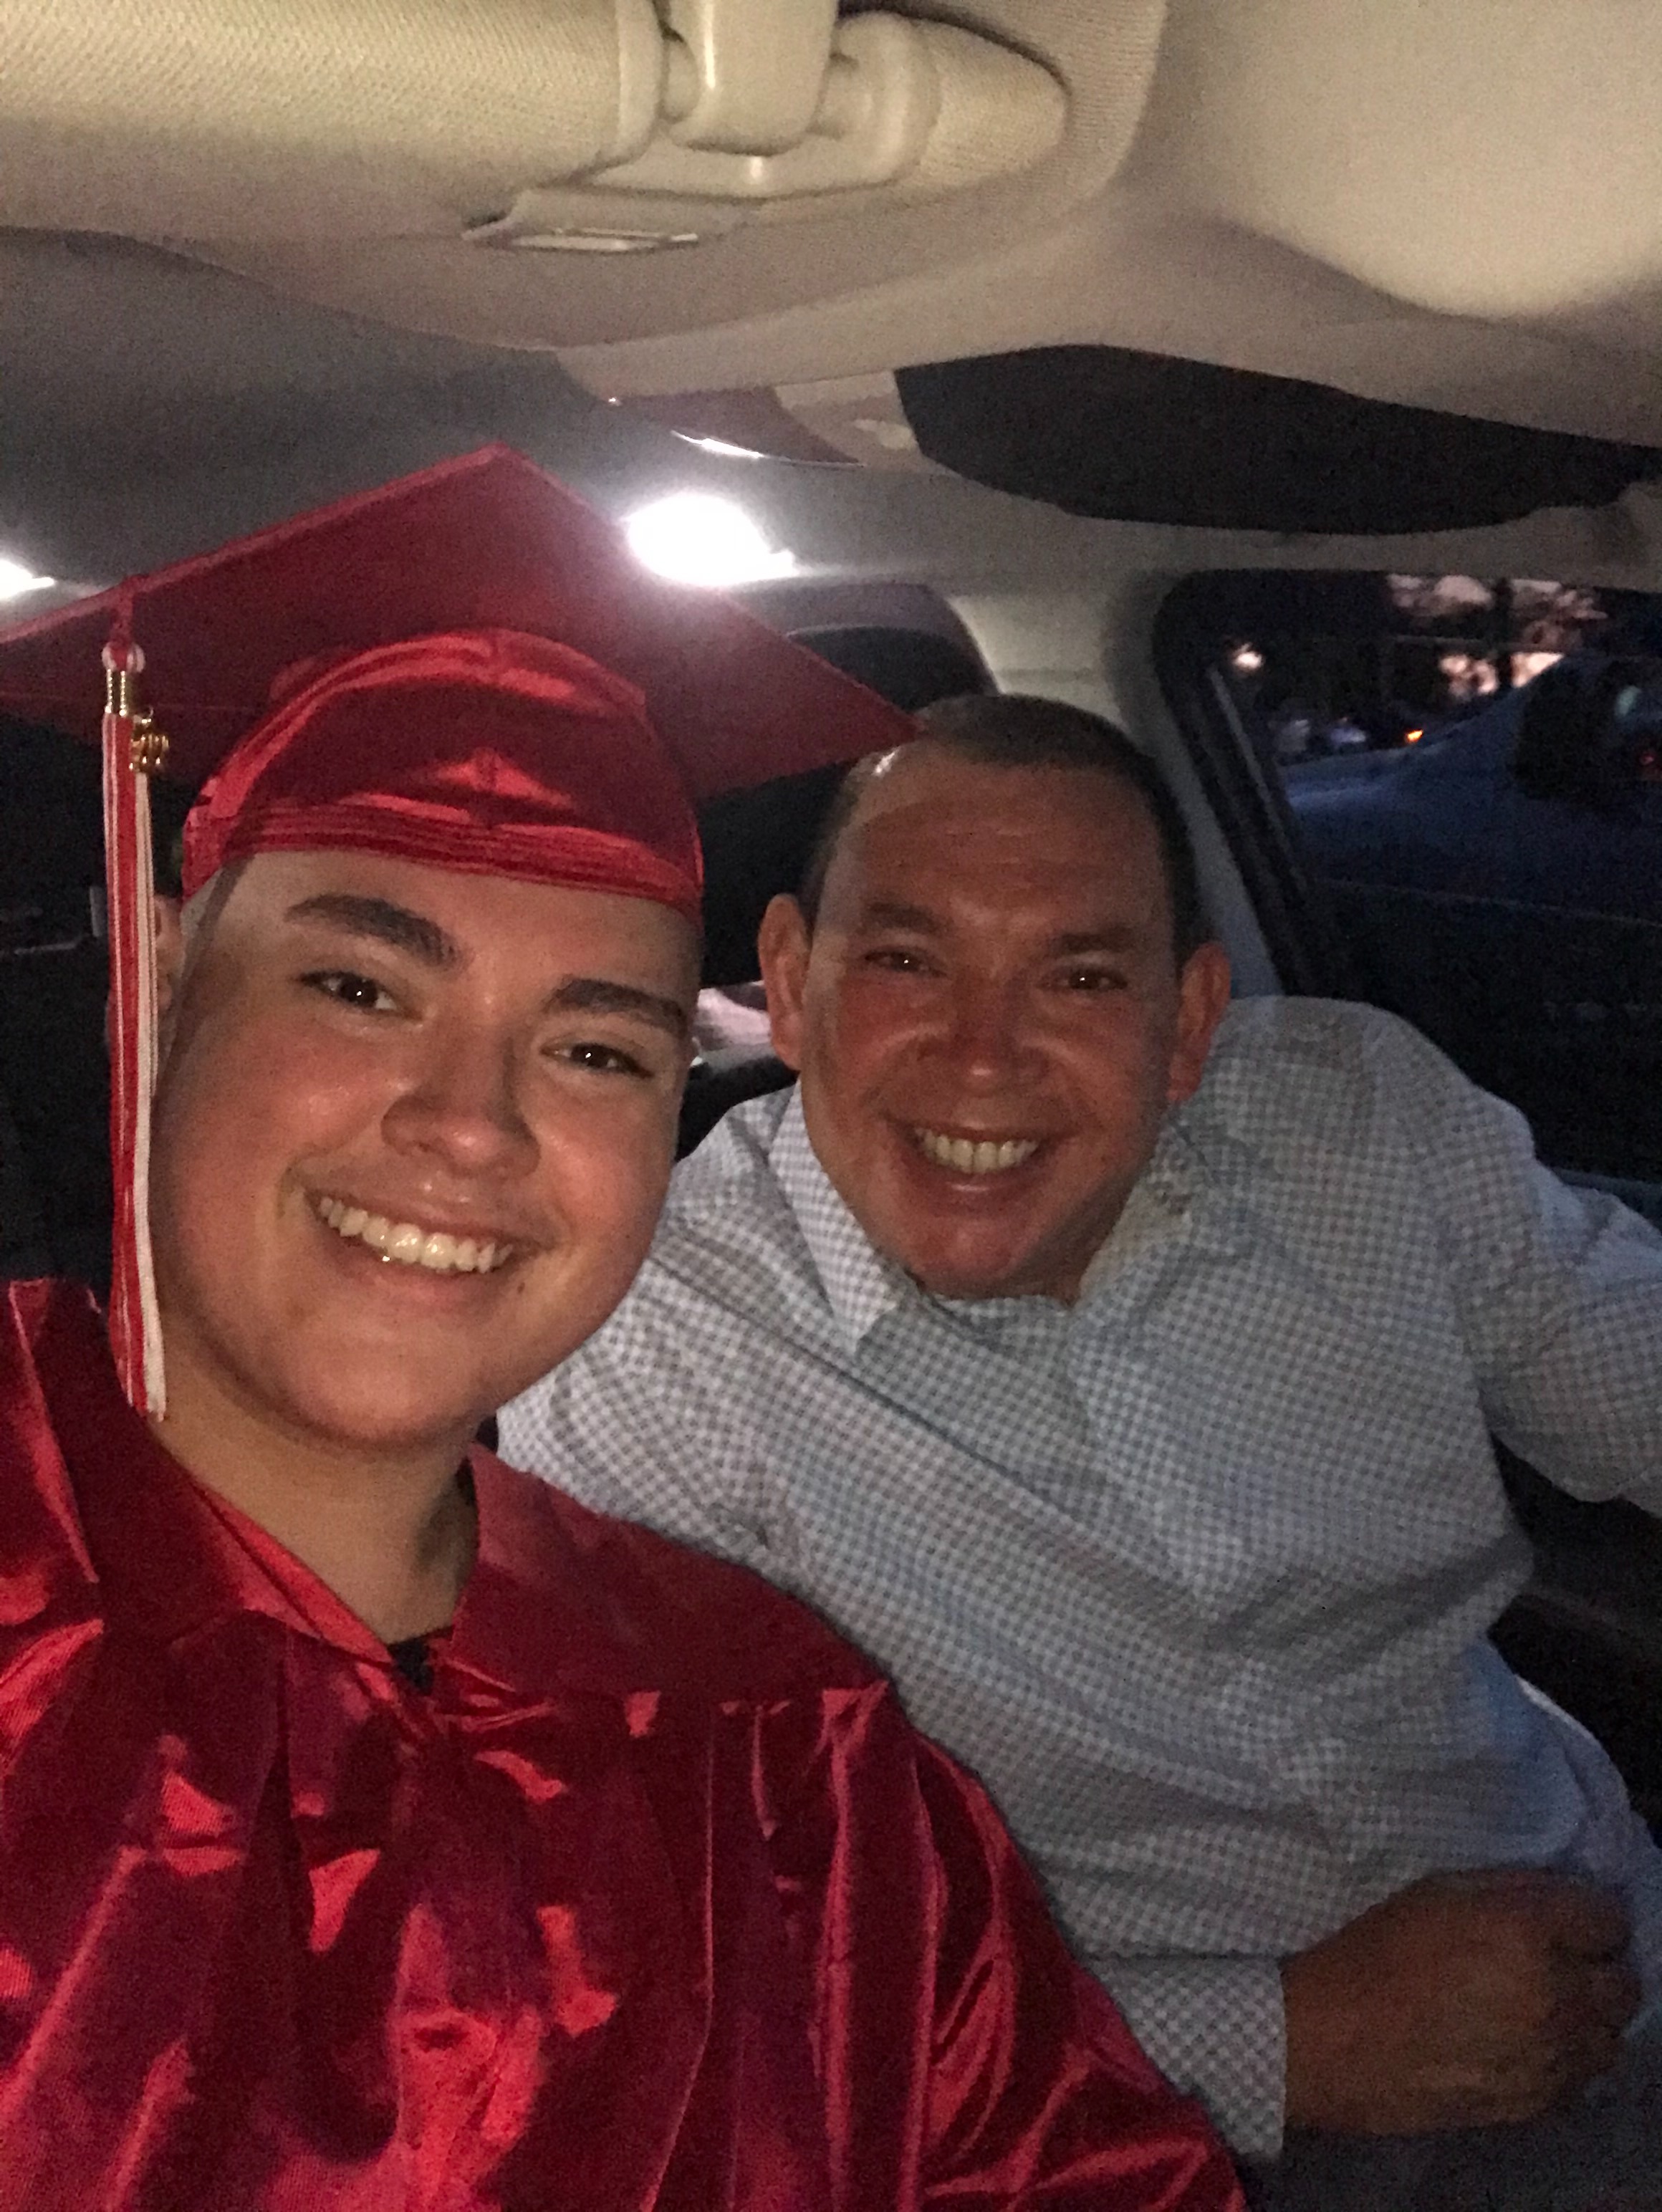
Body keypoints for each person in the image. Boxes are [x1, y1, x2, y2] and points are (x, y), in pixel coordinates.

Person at [0, 457, 1244, 2212]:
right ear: (161, 982)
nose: (469, 1125)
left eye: (593, 1049)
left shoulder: (779, 1749)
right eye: (360, 986)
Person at [500, 691, 1662, 2210]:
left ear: (1186, 1020)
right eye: (907, 961)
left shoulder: (1352, 1124)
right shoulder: (659, 1340)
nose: (982, 1058)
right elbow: (704, 1945)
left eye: (1081, 976)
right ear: (787, 982)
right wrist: (1279, 2040)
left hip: (1610, 1951)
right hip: (1110, 2134)